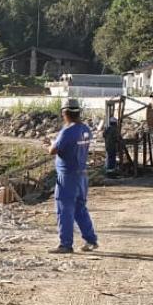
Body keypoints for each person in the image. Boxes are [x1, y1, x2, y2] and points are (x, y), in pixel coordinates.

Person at [48, 99, 99, 254]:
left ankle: (66, 244)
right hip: (81, 176)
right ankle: (91, 240)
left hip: (67, 176)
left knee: (64, 210)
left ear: (65, 113)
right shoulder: (85, 129)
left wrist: (49, 144)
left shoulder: (67, 131)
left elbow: (53, 150)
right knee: (80, 209)